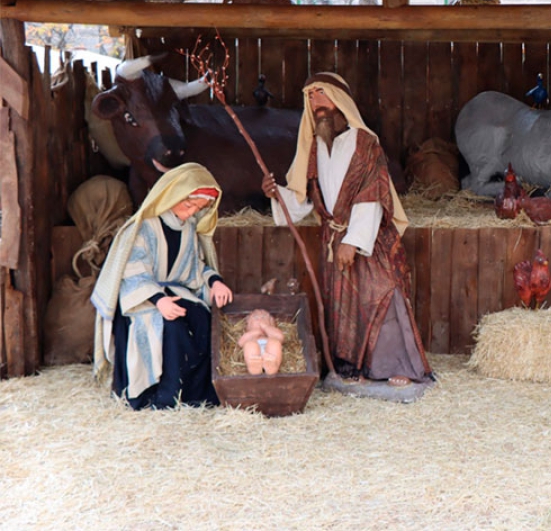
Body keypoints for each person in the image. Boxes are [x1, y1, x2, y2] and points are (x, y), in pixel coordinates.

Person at [262, 72, 433, 388]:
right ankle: (352, 368)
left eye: (321, 94)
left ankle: (397, 365)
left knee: (382, 295)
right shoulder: (315, 148)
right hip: (334, 239)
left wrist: (353, 242)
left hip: (371, 243)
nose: (316, 103)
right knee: (344, 308)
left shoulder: (366, 144)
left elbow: (372, 195)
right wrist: (278, 195)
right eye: (310, 97)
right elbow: (306, 202)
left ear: (340, 100)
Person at [92, 163, 233, 409]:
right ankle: (163, 398)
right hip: (142, 298)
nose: (191, 213)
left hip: (175, 292)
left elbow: (195, 268)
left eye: (198, 209)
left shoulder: (188, 229)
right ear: (172, 196)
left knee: (202, 319)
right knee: (171, 327)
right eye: (188, 205)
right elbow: (133, 273)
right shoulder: (143, 228)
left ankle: (197, 396)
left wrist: (215, 281)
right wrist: (159, 300)